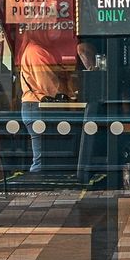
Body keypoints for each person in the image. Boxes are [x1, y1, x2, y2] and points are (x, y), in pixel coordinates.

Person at [15, 31, 75, 175]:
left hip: (34, 106)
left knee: (44, 155)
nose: (56, 31)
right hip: (38, 107)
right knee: (42, 158)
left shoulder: (34, 49)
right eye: (50, 27)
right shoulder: (36, 52)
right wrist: (70, 94)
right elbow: (48, 86)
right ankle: (37, 187)